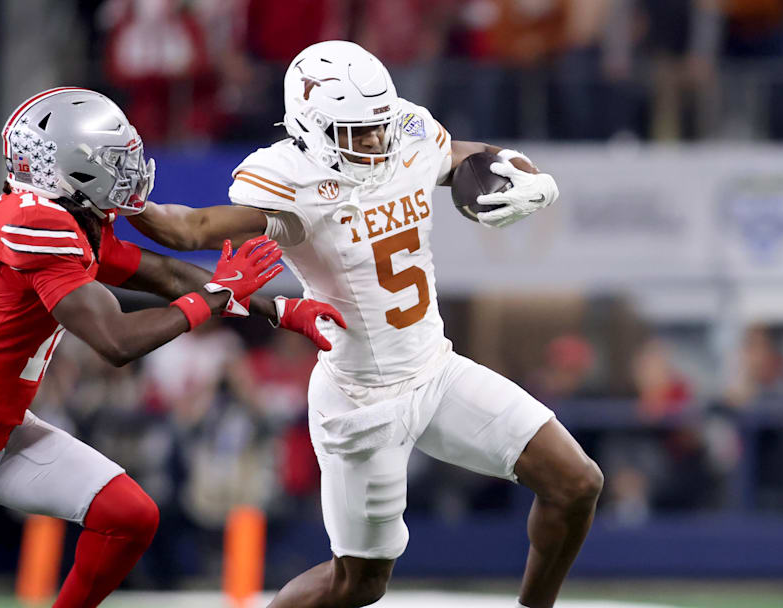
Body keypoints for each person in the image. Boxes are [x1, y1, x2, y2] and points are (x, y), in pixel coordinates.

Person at [0, 87, 344, 608]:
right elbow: (115, 342)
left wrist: (280, 310)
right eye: (115, 160)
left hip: (1, 431)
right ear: (68, 167)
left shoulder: (67, 217)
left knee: (128, 517)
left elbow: (161, 272)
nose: (132, 170)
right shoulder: (35, 223)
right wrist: (213, 298)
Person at [129, 41, 603, 608]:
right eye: (357, 132)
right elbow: (194, 227)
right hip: (361, 399)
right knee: (359, 583)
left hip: (436, 369)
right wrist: (126, 202)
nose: (377, 141)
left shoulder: (405, 132)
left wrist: (522, 171)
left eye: (379, 124)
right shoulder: (293, 182)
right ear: (309, 129)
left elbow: (468, 155)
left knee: (576, 483)